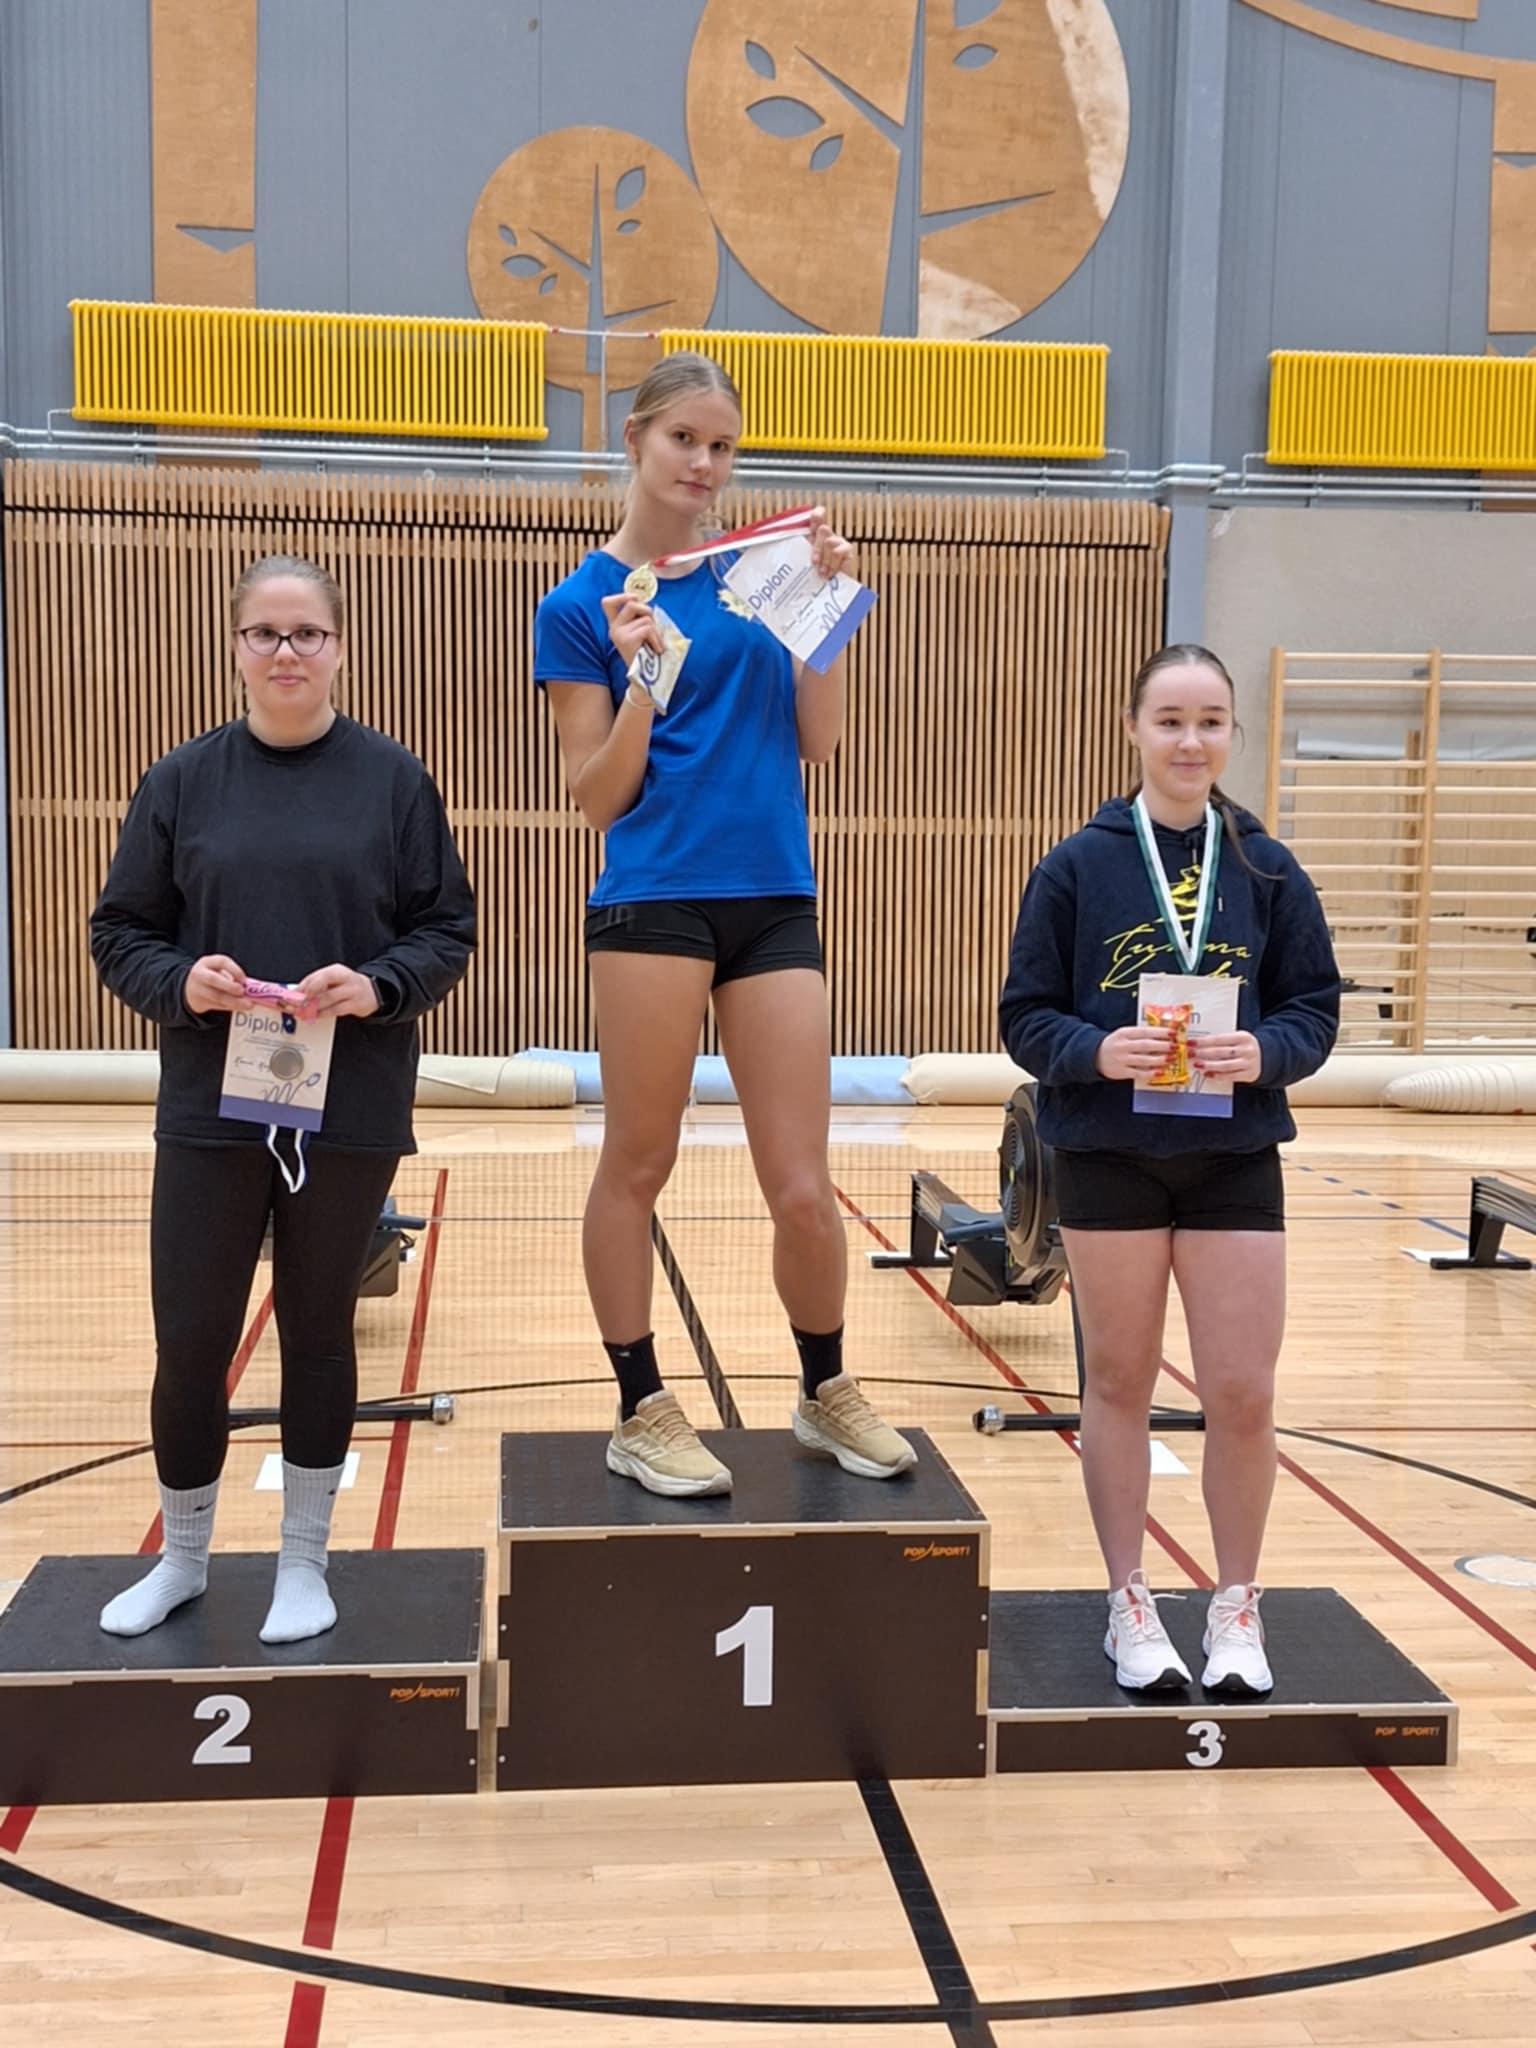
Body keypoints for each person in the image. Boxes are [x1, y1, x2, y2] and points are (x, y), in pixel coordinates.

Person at [533, 350, 912, 1497]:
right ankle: (640, 1405)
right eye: (683, 439)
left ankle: (825, 1387)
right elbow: (598, 797)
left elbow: (818, 740)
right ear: (636, 439)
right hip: (653, 896)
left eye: (722, 444)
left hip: (774, 896)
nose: (704, 462)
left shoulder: (763, 572)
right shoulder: (579, 604)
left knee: (802, 1181)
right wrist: (645, 674)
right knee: (638, 1161)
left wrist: (829, 612)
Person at [90, 554, 475, 1642]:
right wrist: (181, 982)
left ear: (339, 647)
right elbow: (120, 932)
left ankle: (305, 1563)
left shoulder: (394, 782)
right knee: (190, 1337)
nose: (287, 651)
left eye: (307, 632)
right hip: (209, 1106)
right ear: (237, 649)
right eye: (265, 632)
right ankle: (184, 1558)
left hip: (346, 1108)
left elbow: (446, 929)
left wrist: (378, 984)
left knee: (317, 1333)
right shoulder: (181, 782)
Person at [999, 644, 1339, 1694]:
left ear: (1232, 731)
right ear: (1135, 728)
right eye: (1171, 720)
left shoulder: (1268, 868)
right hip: (1108, 1157)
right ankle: (1129, 1600)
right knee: (1119, 1382)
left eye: (1210, 721)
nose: (1191, 741)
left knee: (1241, 1389)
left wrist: (1265, 1052)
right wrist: (1094, 1050)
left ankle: (1236, 1604)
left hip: (1233, 1160)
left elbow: (1314, 1009)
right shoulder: (1076, 865)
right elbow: (1024, 1015)